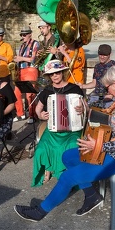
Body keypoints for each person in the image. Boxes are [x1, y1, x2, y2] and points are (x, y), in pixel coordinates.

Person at [14, 65, 115, 221]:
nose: (106, 91)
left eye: (107, 88)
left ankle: (39, 212)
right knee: (68, 156)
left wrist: (99, 146)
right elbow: (110, 119)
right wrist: (86, 110)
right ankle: (91, 195)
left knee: (68, 177)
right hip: (111, 153)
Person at [31, 59, 88, 187]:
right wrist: (41, 115)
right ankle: (48, 169)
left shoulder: (74, 88)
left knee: (73, 145)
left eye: (57, 73)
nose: (55, 76)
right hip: (53, 130)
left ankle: (69, 174)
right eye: (51, 74)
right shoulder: (47, 91)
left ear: (62, 72)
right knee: (41, 148)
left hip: (72, 129)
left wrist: (82, 108)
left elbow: (86, 107)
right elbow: (38, 108)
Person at [77, 44, 115, 109]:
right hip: (96, 97)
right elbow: (94, 83)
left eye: (104, 55)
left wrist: (111, 95)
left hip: (109, 98)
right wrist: (82, 86)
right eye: (100, 54)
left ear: (110, 54)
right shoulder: (97, 66)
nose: (102, 57)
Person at [13, 26, 40, 124]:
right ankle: (20, 114)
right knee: (16, 93)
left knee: (30, 94)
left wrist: (21, 58)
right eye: (21, 34)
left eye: (24, 34)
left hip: (31, 69)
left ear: (30, 34)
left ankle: (33, 115)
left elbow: (33, 59)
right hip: (21, 70)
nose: (22, 36)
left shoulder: (35, 43)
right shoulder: (22, 45)